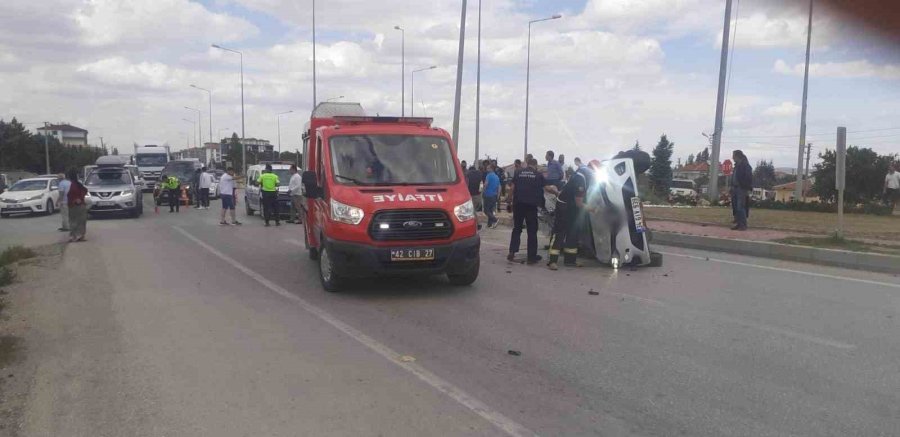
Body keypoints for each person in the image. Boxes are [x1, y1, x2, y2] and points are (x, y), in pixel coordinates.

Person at [547, 168, 588, 270]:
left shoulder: (578, 177)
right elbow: (579, 202)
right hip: (563, 208)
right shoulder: (580, 180)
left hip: (571, 208)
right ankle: (552, 261)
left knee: (573, 233)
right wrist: (593, 209)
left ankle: (570, 261)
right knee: (559, 233)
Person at [508, 158, 544, 264]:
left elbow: (512, 188)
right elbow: (547, 188)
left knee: (517, 228)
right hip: (531, 206)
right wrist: (556, 193)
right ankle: (531, 257)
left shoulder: (518, 172)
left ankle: (512, 251)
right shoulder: (538, 175)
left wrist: (509, 201)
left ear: (527, 164)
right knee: (532, 231)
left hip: (518, 204)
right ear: (536, 165)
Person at [731, 150, 753, 230]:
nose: (732, 157)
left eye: (733, 155)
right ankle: (738, 223)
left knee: (741, 207)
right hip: (735, 188)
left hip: (741, 189)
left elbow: (748, 178)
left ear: (737, 156)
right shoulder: (737, 166)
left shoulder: (745, 165)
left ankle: (743, 225)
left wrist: (745, 186)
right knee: (736, 207)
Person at [65, 168, 88, 242]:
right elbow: (84, 190)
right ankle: (80, 235)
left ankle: (72, 236)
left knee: (72, 220)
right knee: (81, 220)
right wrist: (78, 198)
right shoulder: (76, 184)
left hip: (71, 205)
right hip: (79, 204)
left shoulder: (69, 183)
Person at [482, 162, 500, 229]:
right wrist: (498, 195)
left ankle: (495, 220)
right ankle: (489, 224)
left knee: (486, 211)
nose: (487, 169)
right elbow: (499, 187)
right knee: (490, 210)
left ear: (491, 169)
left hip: (488, 195)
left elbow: (486, 184)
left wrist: (483, 191)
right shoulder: (497, 177)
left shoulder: (488, 175)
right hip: (494, 195)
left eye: (488, 168)